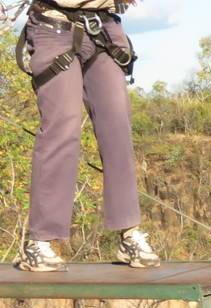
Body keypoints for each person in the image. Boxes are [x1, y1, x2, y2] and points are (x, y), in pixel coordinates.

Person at [14, 0, 159, 272]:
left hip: (104, 30)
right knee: (62, 127)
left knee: (117, 128)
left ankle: (129, 234)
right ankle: (40, 241)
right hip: (53, 27)